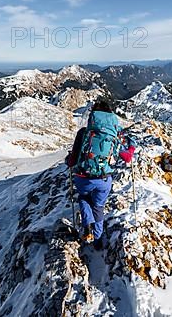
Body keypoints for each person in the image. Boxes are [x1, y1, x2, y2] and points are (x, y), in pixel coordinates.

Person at [65, 99, 136, 250]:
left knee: (83, 197)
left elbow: (72, 161)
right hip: (104, 179)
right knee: (98, 207)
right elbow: (127, 158)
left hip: (83, 178)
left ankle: (87, 224)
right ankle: (97, 239)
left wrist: (69, 160)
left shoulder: (84, 133)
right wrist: (132, 148)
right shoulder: (114, 135)